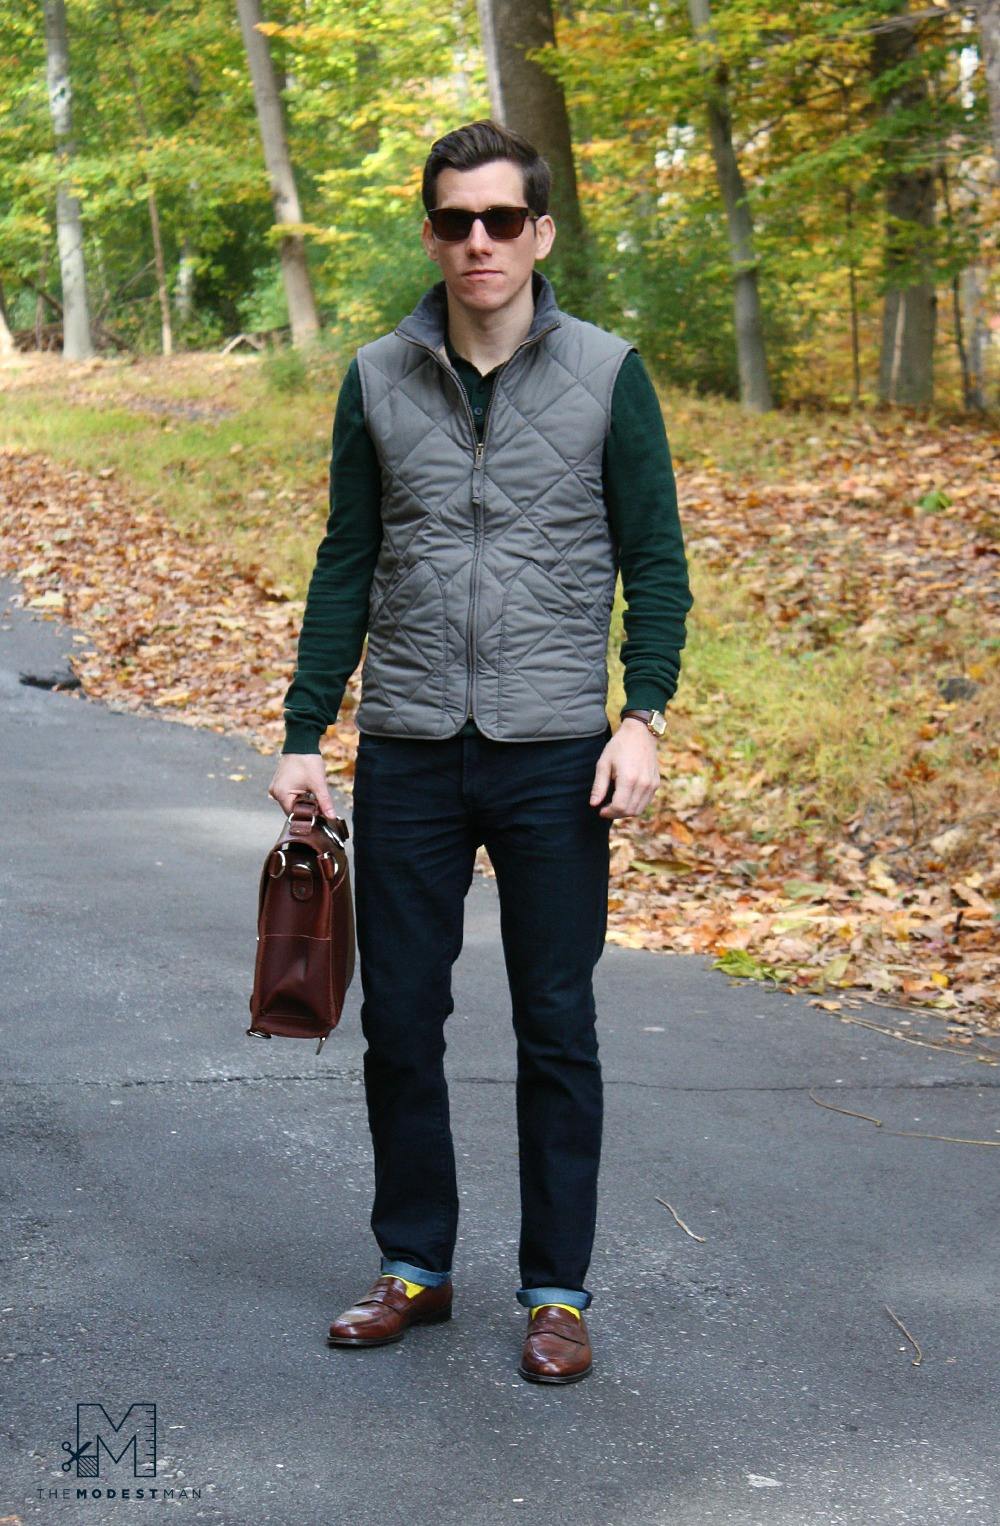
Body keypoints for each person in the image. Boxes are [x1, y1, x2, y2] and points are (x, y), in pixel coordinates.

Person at [268, 119, 693, 1385]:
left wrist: (643, 713)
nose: (478, 242)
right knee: (401, 1018)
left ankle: (557, 1290)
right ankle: (415, 1264)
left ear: (540, 231)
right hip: (406, 740)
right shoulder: (375, 374)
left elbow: (655, 560)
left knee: (556, 1022)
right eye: (454, 220)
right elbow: (348, 555)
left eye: (502, 219)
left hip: (556, 745)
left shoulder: (611, 373)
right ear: (430, 233)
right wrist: (302, 730)